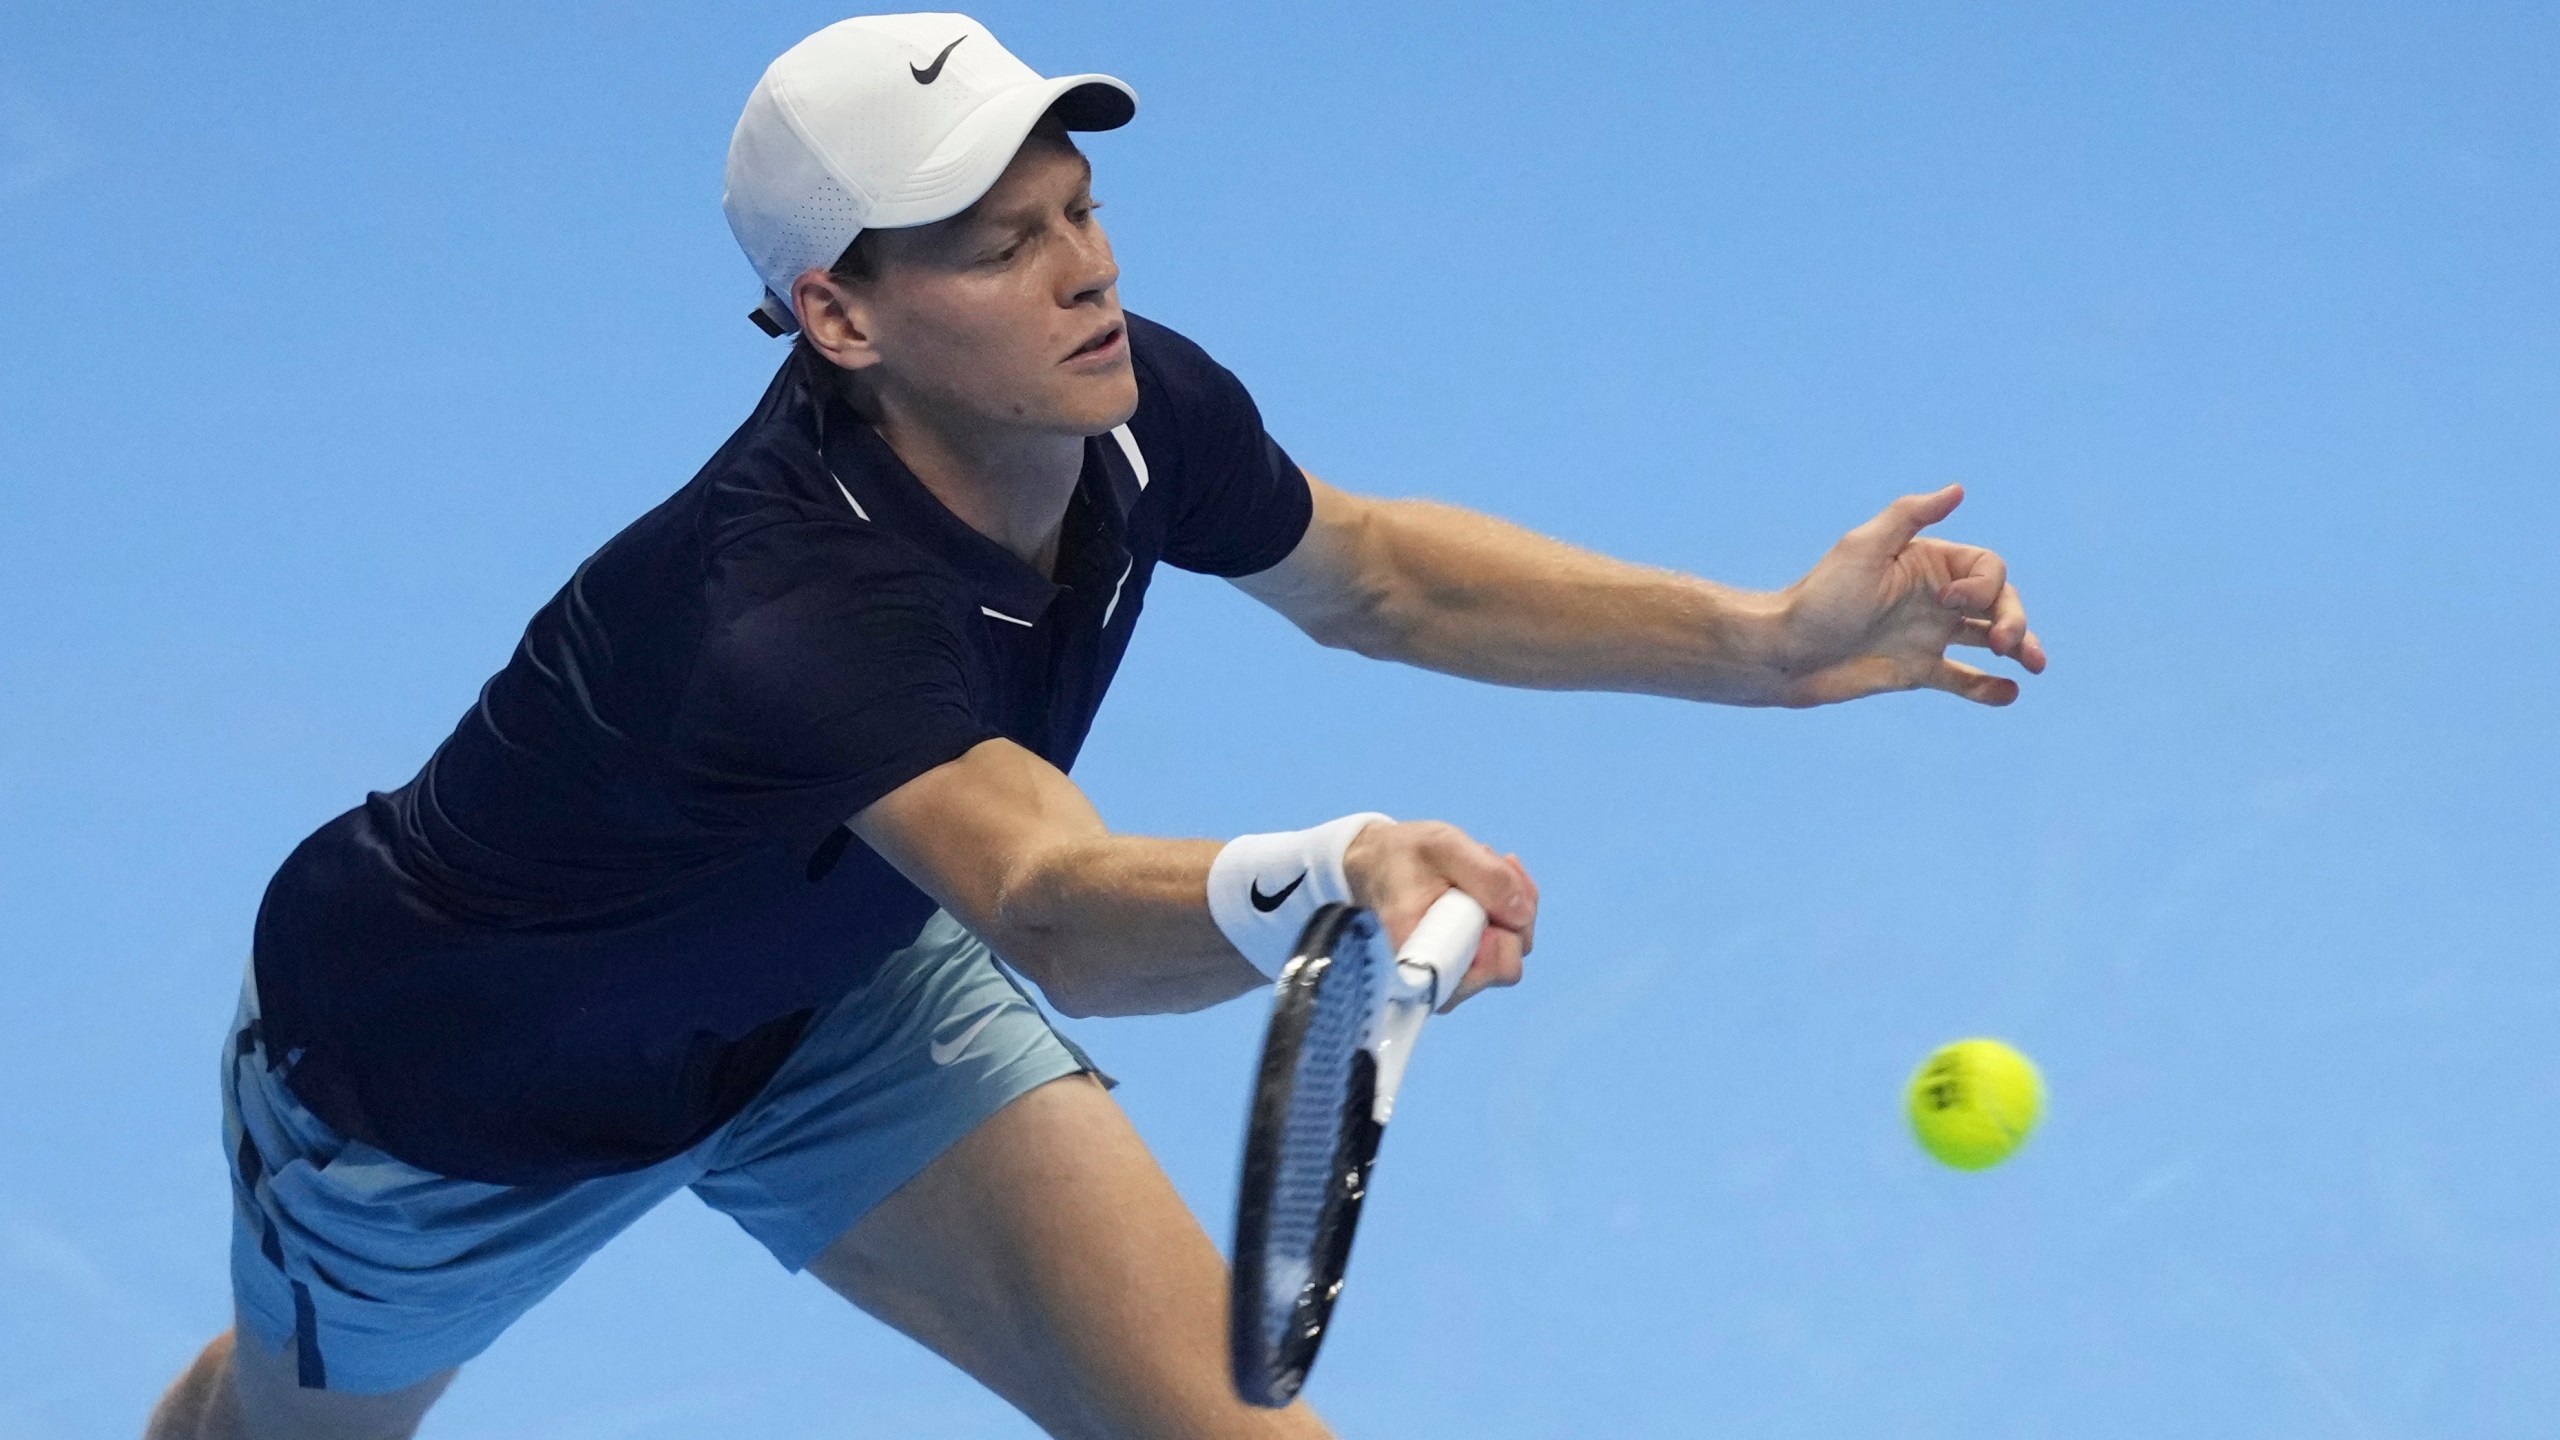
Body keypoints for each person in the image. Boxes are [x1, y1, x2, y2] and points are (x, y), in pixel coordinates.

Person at [145, 13, 2045, 1440]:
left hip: (836, 995)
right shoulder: (781, 607)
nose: (1085, 269)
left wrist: (1770, 644)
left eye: (1082, 207)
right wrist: (1319, 874)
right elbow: (1043, 898)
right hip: (456, 1097)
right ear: (840, 316)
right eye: (995, 245)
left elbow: (1374, 574)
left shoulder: (1124, 409)